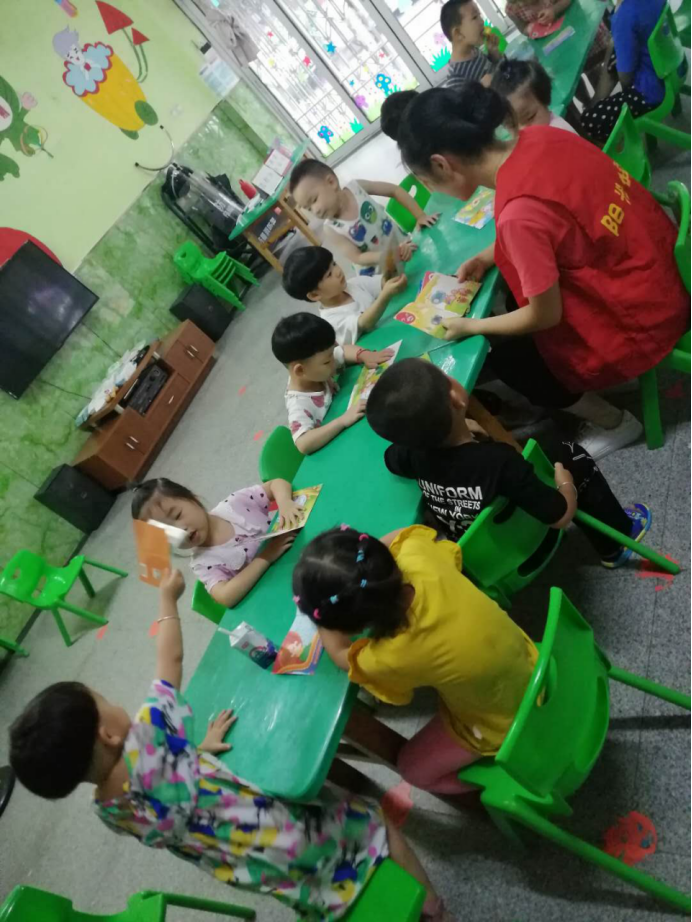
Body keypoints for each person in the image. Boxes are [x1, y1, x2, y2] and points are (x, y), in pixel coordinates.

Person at [9, 570, 452, 922]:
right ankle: (433, 908)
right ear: (107, 734)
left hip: (254, 871)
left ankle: (333, 903)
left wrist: (194, 754)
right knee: (373, 820)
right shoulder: (149, 737)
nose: (114, 703)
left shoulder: (107, 811)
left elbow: (167, 802)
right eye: (104, 702)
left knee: (310, 885)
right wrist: (167, 600)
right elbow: (170, 662)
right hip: (293, 835)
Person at [396, 86, 689, 460]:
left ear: (441, 164)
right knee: (512, 316)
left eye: (425, 181)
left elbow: (545, 315)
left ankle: (616, 423)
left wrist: (472, 326)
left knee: (512, 359)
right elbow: (562, 219)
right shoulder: (539, 136)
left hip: (644, 313)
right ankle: (615, 387)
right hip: (660, 268)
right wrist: (489, 255)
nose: (431, 188)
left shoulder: (517, 217)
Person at [293, 525, 538, 795]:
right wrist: (358, 572)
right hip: (528, 659)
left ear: (351, 626)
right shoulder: (416, 552)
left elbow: (342, 656)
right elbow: (401, 533)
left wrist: (322, 619)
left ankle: (506, 785)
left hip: (506, 717)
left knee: (412, 770)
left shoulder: (392, 655)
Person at [367, 358, 652, 567]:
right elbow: (561, 516)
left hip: (482, 561)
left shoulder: (411, 456)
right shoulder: (500, 460)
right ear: (455, 397)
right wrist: (565, 484)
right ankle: (616, 543)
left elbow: (390, 458)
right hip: (531, 547)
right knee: (571, 455)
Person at [131, 477, 299, 608]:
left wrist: (284, 503)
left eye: (177, 515)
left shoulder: (235, 504)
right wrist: (266, 557)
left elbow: (276, 484)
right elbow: (225, 597)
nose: (181, 530)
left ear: (193, 499)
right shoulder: (203, 563)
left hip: (298, 552)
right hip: (277, 595)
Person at [271, 312, 393, 454]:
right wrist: (342, 421)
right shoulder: (299, 403)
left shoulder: (315, 368)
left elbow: (343, 351)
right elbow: (303, 443)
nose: (334, 362)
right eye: (328, 361)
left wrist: (364, 355)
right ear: (300, 370)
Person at [288, 160, 439, 273]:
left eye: (314, 200)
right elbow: (357, 257)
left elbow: (394, 190)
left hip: (406, 248)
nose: (315, 211)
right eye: (308, 208)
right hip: (383, 274)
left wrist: (420, 215)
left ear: (331, 182)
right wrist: (390, 256)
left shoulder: (357, 187)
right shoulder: (331, 229)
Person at [282, 245, 407, 345]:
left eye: (334, 264)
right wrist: (385, 295)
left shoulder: (353, 284)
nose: (337, 271)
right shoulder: (331, 321)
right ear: (315, 295)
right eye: (329, 275)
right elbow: (365, 323)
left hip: (395, 332)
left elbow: (383, 283)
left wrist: (392, 264)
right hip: (381, 348)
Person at [581, 0, 669, 143]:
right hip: (670, 65)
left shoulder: (624, 17)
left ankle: (626, 149)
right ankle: (596, 101)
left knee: (590, 121)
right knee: (615, 53)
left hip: (652, 89)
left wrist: (623, 66)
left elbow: (625, 79)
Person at [504, 0, 611, 101]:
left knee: (591, 67)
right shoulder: (511, 9)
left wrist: (554, 10)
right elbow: (522, 28)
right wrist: (530, 28)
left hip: (577, 29)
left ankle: (602, 98)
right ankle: (588, 103)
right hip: (555, 48)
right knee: (570, 81)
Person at [491, 58, 577, 132]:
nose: (522, 131)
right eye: (511, 126)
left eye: (530, 117)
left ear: (546, 100)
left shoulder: (559, 132)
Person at [440, 0, 501, 89]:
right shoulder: (456, 80)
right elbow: (468, 98)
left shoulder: (474, 51)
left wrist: (493, 54)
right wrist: (481, 87)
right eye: (475, 17)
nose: (482, 21)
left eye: (480, 15)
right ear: (458, 33)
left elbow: (490, 69)